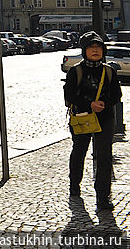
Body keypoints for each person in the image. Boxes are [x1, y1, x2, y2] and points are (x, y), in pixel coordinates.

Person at [64, 31, 122, 212]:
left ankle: (103, 197)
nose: (95, 51)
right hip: (82, 117)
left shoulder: (109, 71)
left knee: (104, 157)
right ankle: (74, 185)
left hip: (104, 118)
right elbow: (69, 95)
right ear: (84, 50)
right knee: (79, 152)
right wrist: (90, 104)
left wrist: (104, 104)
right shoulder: (76, 71)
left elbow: (117, 95)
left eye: (98, 47)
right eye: (91, 47)